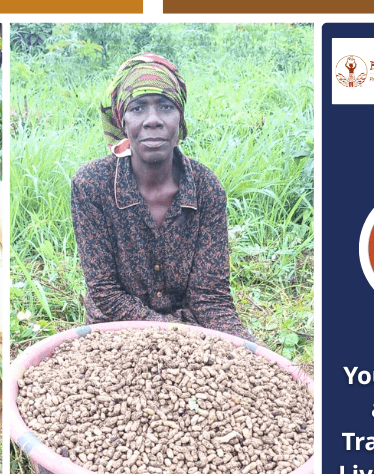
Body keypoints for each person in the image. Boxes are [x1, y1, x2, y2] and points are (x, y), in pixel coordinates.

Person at [70, 52, 256, 343]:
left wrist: (248, 347)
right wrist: (172, 332)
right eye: (138, 108)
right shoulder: (92, 185)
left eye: (166, 107)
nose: (152, 120)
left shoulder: (206, 188)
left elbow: (210, 296)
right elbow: (105, 293)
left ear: (180, 119)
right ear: (122, 121)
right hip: (115, 333)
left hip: (191, 333)